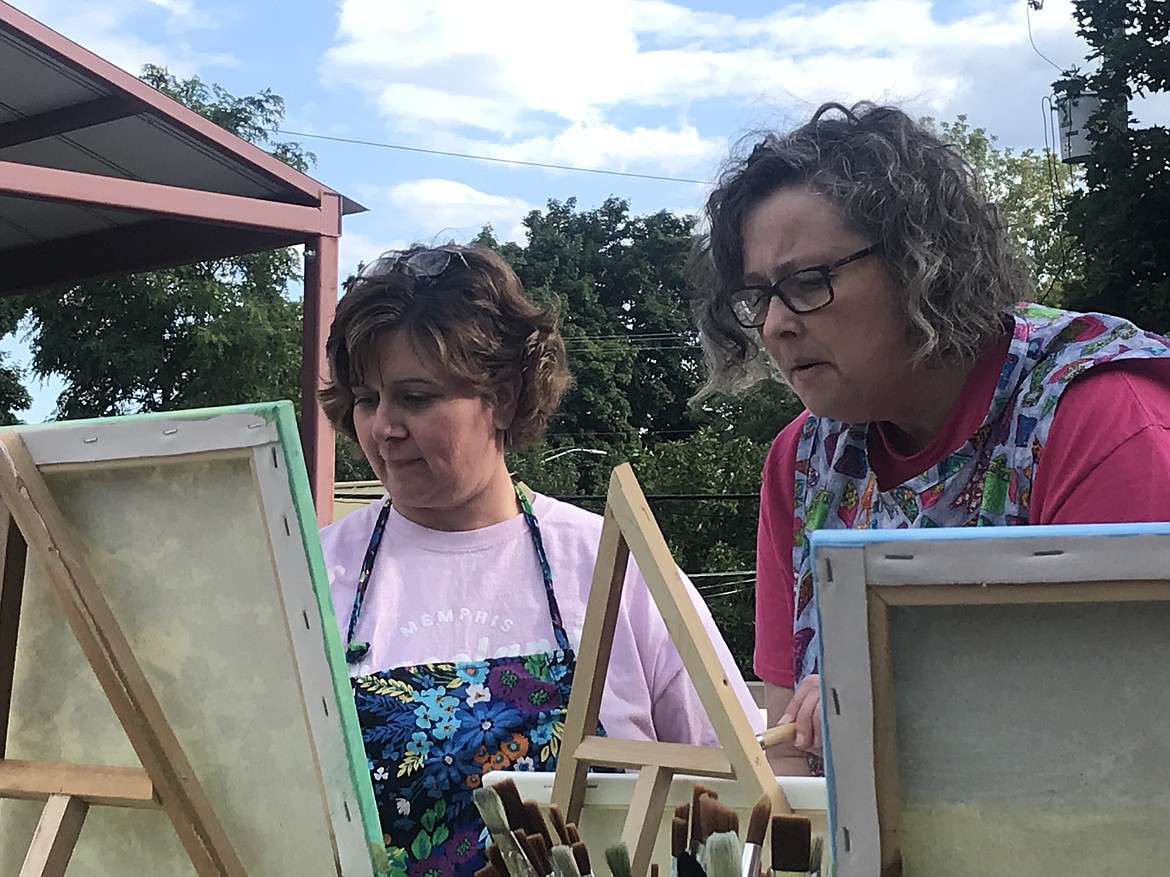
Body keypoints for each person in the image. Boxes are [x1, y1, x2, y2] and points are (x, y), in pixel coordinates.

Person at [690, 101, 1170, 775]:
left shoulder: (1097, 421)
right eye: (758, 296)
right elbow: (791, 759)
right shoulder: (801, 461)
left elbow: (1132, 753)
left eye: (806, 283)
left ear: (924, 261)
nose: (773, 324)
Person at [318, 245, 763, 876]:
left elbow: (738, 790)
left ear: (500, 396)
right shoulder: (313, 579)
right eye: (366, 399)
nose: (383, 427)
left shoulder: (615, 565)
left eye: (415, 398)